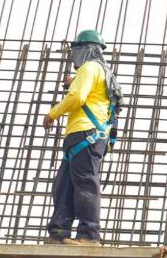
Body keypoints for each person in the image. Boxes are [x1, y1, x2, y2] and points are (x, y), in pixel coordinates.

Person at [42, 29, 123, 246]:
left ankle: (89, 235)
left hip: (86, 133)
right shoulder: (103, 72)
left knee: (86, 183)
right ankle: (59, 231)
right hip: (86, 136)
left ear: (83, 49)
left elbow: (77, 97)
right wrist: (75, 80)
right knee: (64, 184)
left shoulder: (89, 67)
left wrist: (53, 113)